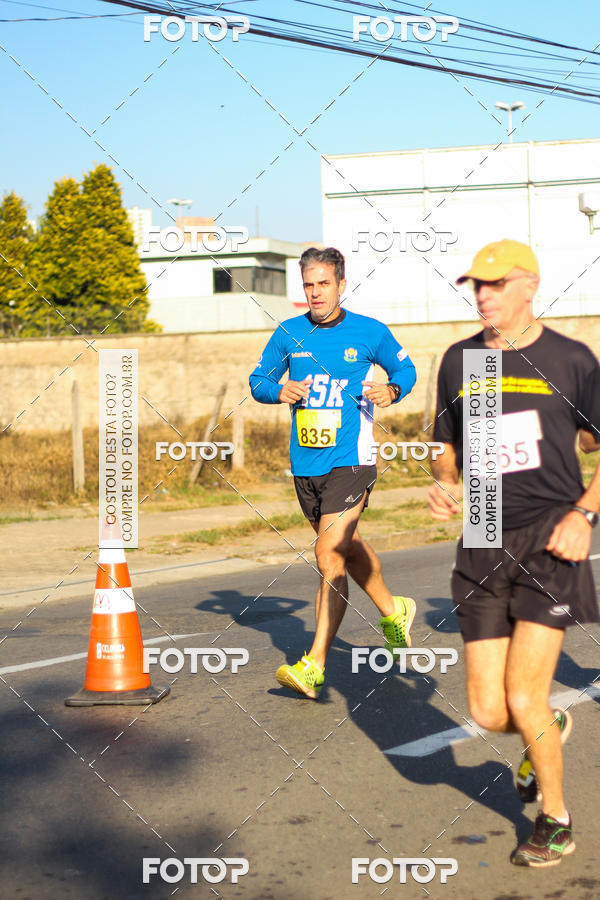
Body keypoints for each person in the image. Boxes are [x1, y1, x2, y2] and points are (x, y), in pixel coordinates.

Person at [428, 238, 600, 867]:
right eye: (477, 285)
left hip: (550, 535)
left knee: (526, 697)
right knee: (485, 709)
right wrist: (444, 478)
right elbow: (446, 443)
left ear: (531, 286)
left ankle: (555, 819)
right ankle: (547, 732)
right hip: (482, 530)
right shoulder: (463, 361)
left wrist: (585, 514)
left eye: (496, 284)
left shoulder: (571, 360)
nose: (483, 294)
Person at [249, 246, 417, 699]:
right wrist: (277, 389)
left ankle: (314, 664)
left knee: (327, 555)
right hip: (306, 464)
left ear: (342, 285)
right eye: (309, 285)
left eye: (324, 283)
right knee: (344, 546)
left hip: (353, 461)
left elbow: (406, 368)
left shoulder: (369, 331)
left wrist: (392, 389)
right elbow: (257, 381)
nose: (316, 292)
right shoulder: (288, 333)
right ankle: (393, 609)